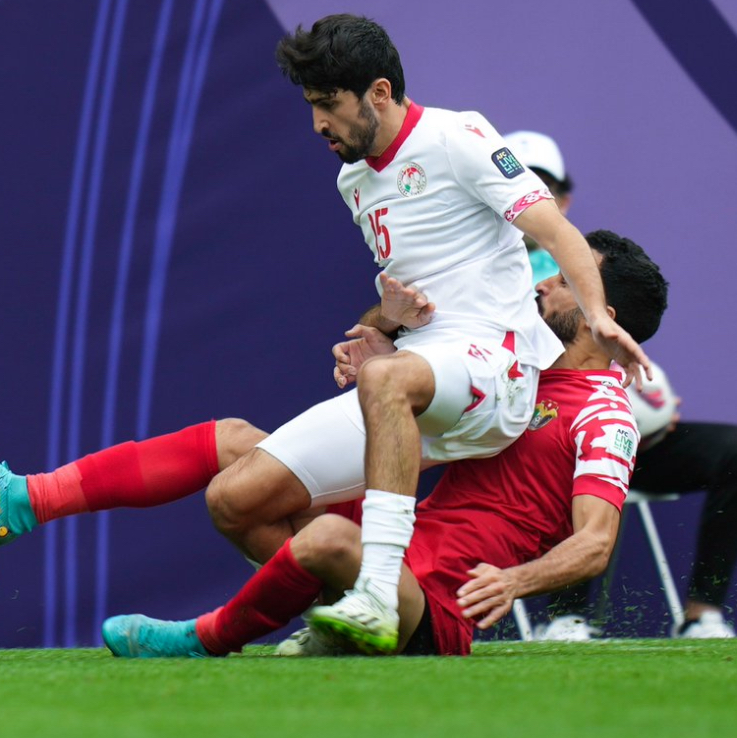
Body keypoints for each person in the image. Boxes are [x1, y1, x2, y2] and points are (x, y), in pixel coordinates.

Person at [253, 14, 650, 655]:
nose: (319, 124)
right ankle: (357, 619)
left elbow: (559, 236)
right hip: (429, 373)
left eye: (328, 105)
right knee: (238, 491)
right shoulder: (354, 181)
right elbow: (416, 292)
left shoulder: (458, 136)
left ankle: (351, 602)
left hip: (489, 369)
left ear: (378, 92)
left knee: (379, 396)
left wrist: (600, 315)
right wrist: (375, 326)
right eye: (313, 106)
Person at [99, 229, 669, 657]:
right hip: (399, 540)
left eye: (568, 282)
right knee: (240, 451)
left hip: (435, 602)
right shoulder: (520, 365)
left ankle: (207, 637)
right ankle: (38, 494)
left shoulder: (606, 415)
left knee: (326, 537)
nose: (546, 281)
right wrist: (385, 351)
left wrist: (514, 581)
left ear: (604, 318)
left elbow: (595, 543)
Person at [505, 129, 737, 640]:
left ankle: (702, 615)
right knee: (573, 442)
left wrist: (648, 401)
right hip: (529, 429)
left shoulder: (589, 259)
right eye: (515, 186)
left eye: (539, 188)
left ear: (561, 200)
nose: (525, 201)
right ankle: (566, 617)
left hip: (609, 421)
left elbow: (610, 339)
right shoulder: (474, 265)